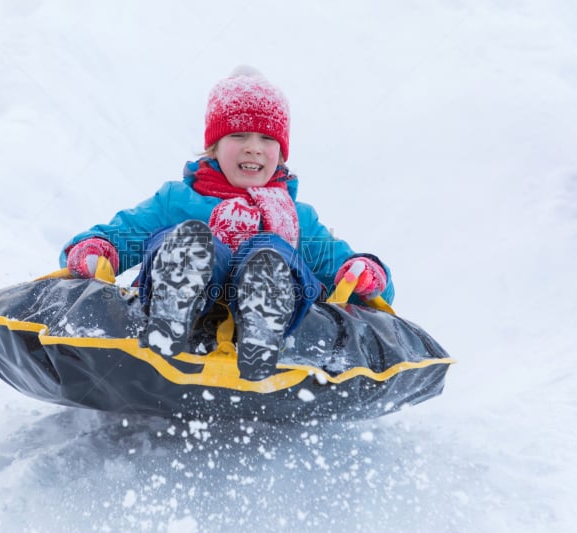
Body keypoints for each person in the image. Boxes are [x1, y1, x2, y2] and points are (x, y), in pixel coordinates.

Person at [59, 66, 395, 380]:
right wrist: (96, 249)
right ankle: (175, 304)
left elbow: (338, 264)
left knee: (272, 251)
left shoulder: (296, 216)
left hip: (273, 308)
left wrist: (364, 272)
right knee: (188, 240)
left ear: (282, 150)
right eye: (239, 135)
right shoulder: (177, 200)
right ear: (214, 145)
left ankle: (264, 315)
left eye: (267, 139)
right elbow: (123, 234)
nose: (254, 148)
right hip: (194, 304)